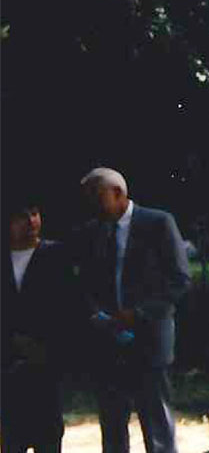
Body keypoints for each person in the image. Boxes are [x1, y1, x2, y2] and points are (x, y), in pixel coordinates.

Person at [77, 167, 191, 453]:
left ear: (118, 192)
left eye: (95, 194)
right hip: (108, 342)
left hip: (149, 340)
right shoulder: (92, 232)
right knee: (112, 428)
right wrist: (97, 314)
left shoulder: (158, 223)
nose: (90, 201)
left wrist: (139, 313)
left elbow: (179, 280)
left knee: (157, 427)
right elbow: (86, 283)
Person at [1, 196, 74, 453]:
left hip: (46, 362)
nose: (31, 221)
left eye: (34, 213)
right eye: (23, 216)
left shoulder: (56, 255)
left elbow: (68, 307)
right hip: (7, 365)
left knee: (48, 437)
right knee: (12, 438)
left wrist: (47, 346)